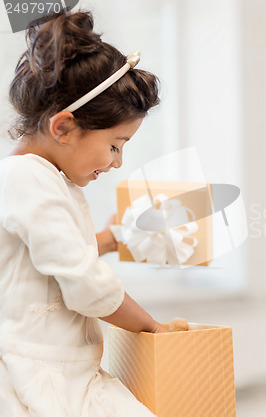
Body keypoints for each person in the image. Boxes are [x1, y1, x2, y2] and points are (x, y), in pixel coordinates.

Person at [0, 9, 169, 417]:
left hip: (70, 370)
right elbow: (85, 285)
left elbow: (49, 263)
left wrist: (108, 241)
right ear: (63, 127)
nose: (117, 162)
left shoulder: (45, 179)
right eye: (115, 145)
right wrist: (156, 330)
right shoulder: (26, 178)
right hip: (39, 376)